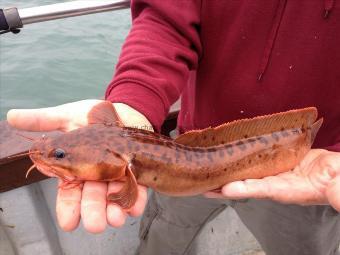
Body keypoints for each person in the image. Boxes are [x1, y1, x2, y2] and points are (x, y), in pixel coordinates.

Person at [7, 1, 340, 254]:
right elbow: (168, 17)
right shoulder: (114, 141)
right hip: (194, 136)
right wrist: (134, 100)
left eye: (61, 153)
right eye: (60, 150)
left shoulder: (120, 160)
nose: (53, 156)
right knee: (165, 233)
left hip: (312, 167)